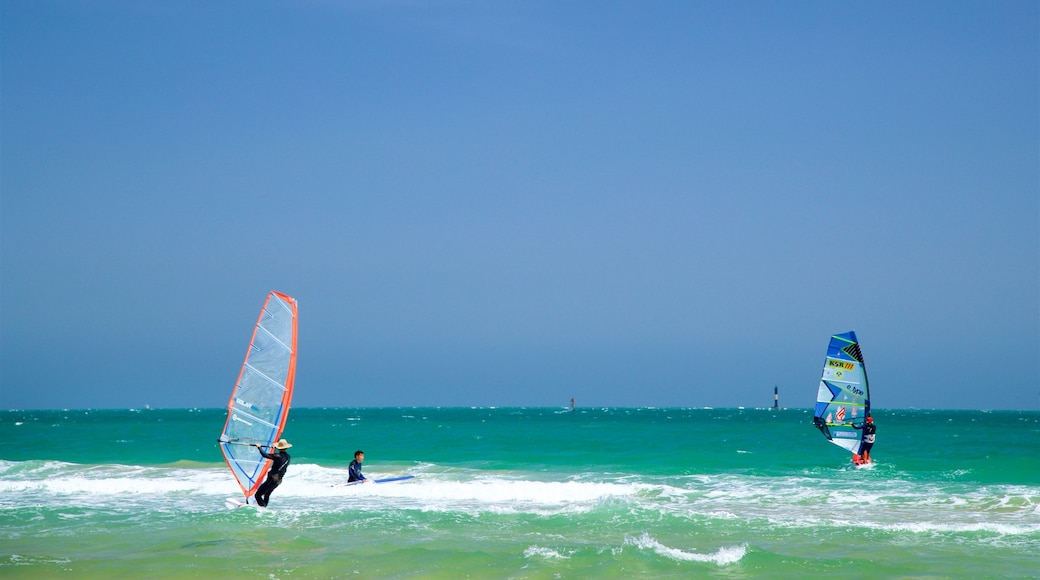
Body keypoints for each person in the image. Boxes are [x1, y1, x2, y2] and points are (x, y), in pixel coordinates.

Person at [252, 438, 292, 507]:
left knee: (257, 495)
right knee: (267, 494)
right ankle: (264, 507)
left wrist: (259, 447)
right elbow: (277, 456)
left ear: (278, 448)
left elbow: (265, 455)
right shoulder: (288, 457)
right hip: (279, 480)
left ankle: (262, 508)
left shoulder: (278, 456)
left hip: (272, 479)